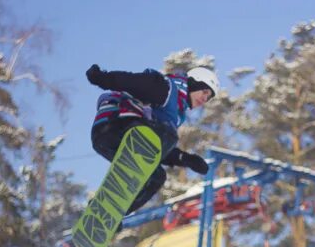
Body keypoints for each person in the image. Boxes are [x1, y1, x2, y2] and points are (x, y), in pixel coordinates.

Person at [84, 64, 219, 216]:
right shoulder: (167, 89)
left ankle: (106, 213)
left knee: (156, 177)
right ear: (195, 83)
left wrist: (185, 158)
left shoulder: (174, 115)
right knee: (167, 134)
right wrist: (102, 78)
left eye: (209, 98)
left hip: (107, 141)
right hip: (115, 125)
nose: (205, 98)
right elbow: (134, 82)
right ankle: (135, 156)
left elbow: (156, 149)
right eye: (205, 91)